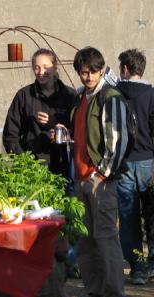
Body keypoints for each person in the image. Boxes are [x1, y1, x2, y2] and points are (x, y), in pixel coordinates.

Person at [72, 46, 127, 297]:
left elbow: (119, 139)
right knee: (85, 241)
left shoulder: (110, 96)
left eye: (94, 71)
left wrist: (102, 174)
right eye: (84, 72)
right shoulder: (81, 97)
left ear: (102, 69)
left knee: (106, 240)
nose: (89, 77)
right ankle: (94, 291)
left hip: (100, 181)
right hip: (81, 178)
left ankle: (114, 292)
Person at [3, 48, 76, 178]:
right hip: (31, 170)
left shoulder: (70, 95)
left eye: (45, 67)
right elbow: (10, 136)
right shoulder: (24, 96)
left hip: (63, 168)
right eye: (36, 68)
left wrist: (62, 130)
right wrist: (25, 161)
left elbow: (79, 132)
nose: (41, 72)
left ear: (55, 68)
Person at [116, 49, 154, 284]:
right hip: (148, 159)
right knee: (151, 214)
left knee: (128, 218)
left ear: (126, 69)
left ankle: (137, 266)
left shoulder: (116, 93)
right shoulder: (151, 94)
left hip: (124, 161)